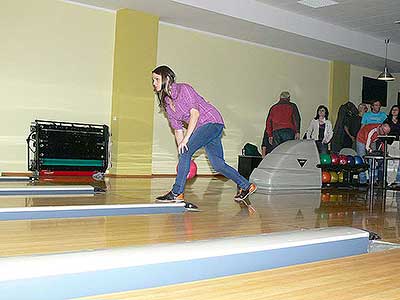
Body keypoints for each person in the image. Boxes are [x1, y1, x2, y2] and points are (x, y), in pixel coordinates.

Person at [151, 65, 256, 211]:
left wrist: (186, 145)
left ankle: (177, 193)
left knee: (186, 151)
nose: (154, 83)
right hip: (204, 128)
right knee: (218, 165)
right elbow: (177, 129)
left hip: (211, 122)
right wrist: (182, 148)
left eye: (156, 79)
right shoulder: (167, 104)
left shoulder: (184, 89)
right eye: (153, 80)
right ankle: (247, 185)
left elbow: (195, 114)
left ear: (167, 79)